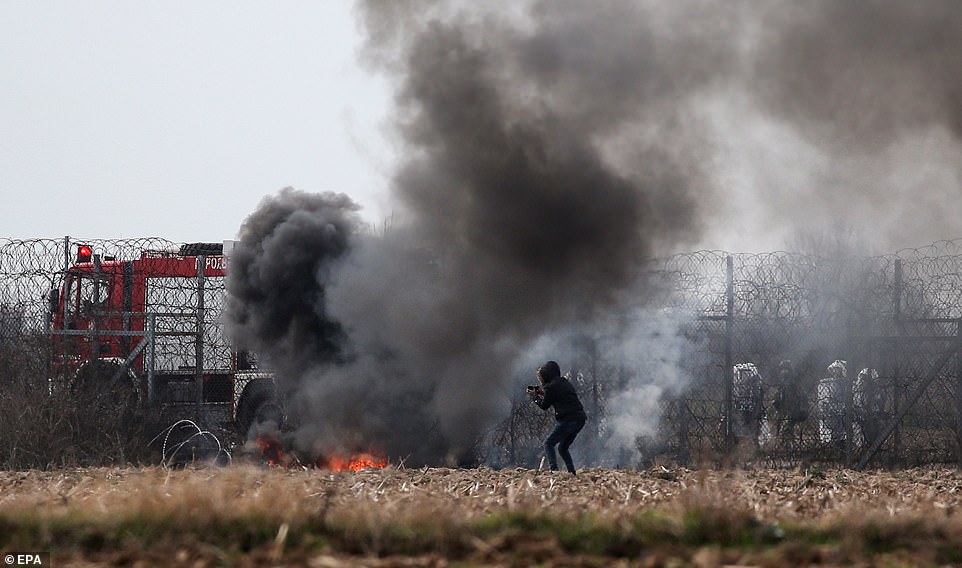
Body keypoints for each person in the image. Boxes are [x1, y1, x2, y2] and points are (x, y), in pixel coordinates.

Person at [526, 360, 587, 474]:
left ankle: (554, 471)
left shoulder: (551, 387)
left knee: (548, 443)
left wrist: (534, 397)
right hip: (580, 419)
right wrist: (541, 392)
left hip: (568, 419)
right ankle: (572, 473)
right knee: (562, 448)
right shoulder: (564, 382)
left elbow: (544, 405)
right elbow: (557, 395)